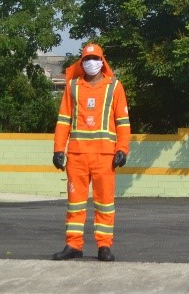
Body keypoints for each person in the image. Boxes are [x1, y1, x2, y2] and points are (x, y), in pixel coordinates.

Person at [51, 43, 131, 262]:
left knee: (104, 203)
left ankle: (104, 246)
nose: (91, 63)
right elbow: (63, 121)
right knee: (75, 203)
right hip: (76, 155)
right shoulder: (72, 86)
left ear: (102, 61)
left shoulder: (114, 87)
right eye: (86, 59)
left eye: (95, 58)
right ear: (81, 62)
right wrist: (59, 149)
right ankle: (73, 245)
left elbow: (123, 122)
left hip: (105, 156)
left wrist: (122, 149)